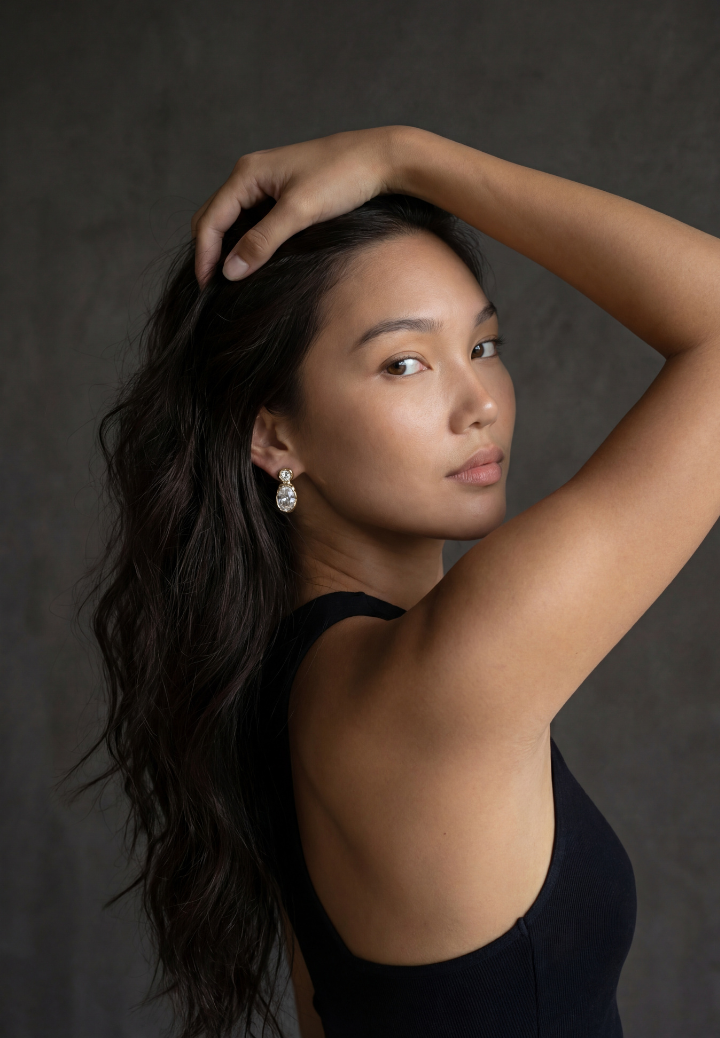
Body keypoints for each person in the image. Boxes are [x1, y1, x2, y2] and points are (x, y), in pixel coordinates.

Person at [86, 126, 720, 1038]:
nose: (480, 404)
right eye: (405, 363)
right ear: (274, 435)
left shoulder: (292, 682)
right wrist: (404, 154)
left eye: (485, 346)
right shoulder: (434, 677)